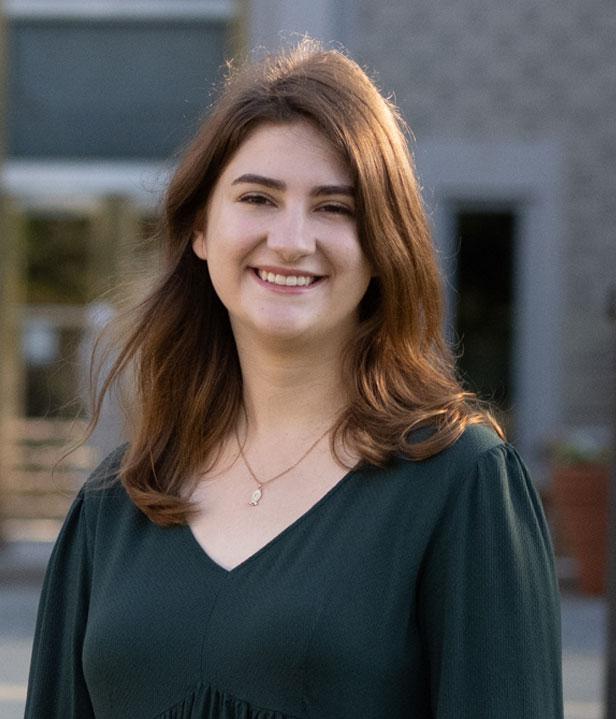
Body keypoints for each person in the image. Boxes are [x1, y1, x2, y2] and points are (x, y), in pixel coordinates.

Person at [25, 39, 563, 718]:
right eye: (258, 197)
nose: (291, 238)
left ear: (381, 245)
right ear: (200, 227)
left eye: (334, 208)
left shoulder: (460, 485)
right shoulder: (117, 503)